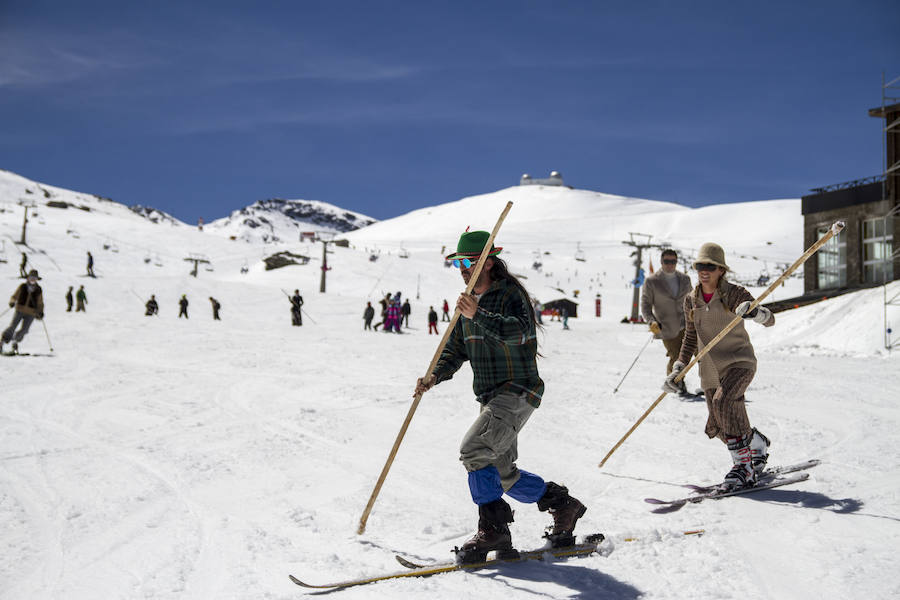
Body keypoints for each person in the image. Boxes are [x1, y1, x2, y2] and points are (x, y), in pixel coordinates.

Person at [414, 230, 587, 562]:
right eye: (458, 263)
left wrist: (475, 313)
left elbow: (520, 333)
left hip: (517, 390)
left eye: (469, 261)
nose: (463, 268)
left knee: (474, 450)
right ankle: (564, 506)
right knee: (503, 475)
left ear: (489, 263)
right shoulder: (466, 302)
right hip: (492, 396)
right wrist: (434, 375)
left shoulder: (509, 294)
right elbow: (454, 350)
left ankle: (494, 531)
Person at [663, 242, 775, 491]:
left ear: (720, 270)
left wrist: (756, 314)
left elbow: (769, 319)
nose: (704, 270)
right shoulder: (691, 300)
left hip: (739, 361)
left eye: (710, 266)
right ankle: (756, 443)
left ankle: (743, 468)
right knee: (718, 425)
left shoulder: (734, 293)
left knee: (724, 403)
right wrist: (678, 367)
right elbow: (690, 338)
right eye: (700, 266)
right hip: (710, 368)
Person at [641, 249, 693, 394]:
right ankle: (676, 384)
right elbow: (645, 305)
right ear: (661, 262)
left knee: (699, 353)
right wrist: (651, 321)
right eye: (667, 261)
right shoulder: (652, 281)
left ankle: (709, 385)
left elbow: (693, 299)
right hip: (666, 327)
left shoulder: (685, 279)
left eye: (673, 261)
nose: (670, 265)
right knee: (676, 356)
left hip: (687, 324)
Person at [2, 269, 43, 354]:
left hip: (31, 313)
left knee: (25, 330)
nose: (32, 279)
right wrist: (12, 302)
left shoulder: (38, 289)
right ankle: (2, 341)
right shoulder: (22, 286)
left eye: (34, 278)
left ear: (37, 279)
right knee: (12, 326)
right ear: (28, 278)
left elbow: (40, 302)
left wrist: (40, 312)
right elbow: (14, 296)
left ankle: (15, 342)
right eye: (31, 277)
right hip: (20, 309)